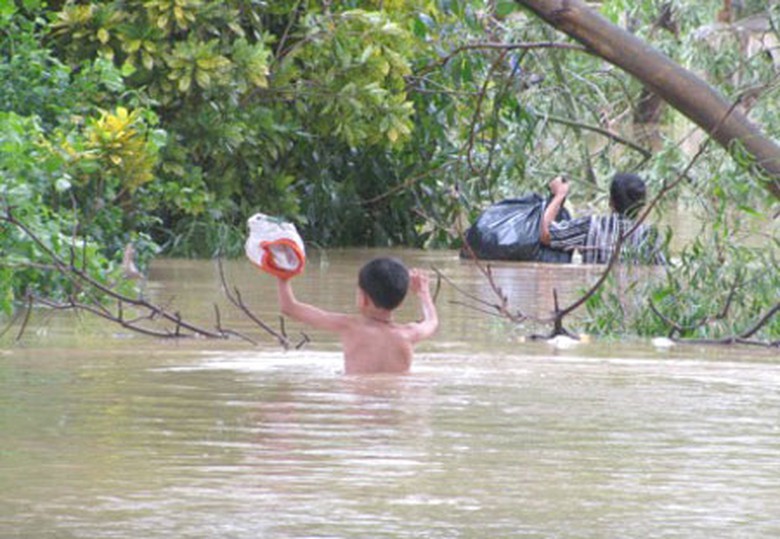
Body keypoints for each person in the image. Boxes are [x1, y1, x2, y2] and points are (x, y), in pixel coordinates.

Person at [276, 257, 439, 374]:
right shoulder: (409, 333)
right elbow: (432, 321)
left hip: (360, 408)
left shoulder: (350, 326)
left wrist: (283, 277)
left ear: (364, 298)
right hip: (395, 408)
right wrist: (423, 293)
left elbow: (289, 307)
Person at [540, 172, 665, 264]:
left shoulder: (590, 225)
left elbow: (546, 235)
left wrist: (559, 195)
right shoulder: (650, 235)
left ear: (611, 202)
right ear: (642, 205)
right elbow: (662, 271)